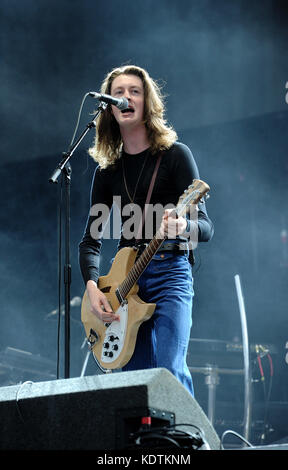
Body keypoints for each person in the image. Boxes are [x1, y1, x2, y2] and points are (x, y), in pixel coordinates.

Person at [79, 65, 214, 396]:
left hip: (170, 273)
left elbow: (207, 228)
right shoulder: (107, 172)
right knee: (134, 385)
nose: (125, 97)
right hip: (125, 285)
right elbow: (90, 242)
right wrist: (94, 288)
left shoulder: (176, 156)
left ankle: (188, 443)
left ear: (147, 102)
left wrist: (183, 225)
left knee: (169, 371)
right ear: (109, 107)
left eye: (134, 91)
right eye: (119, 93)